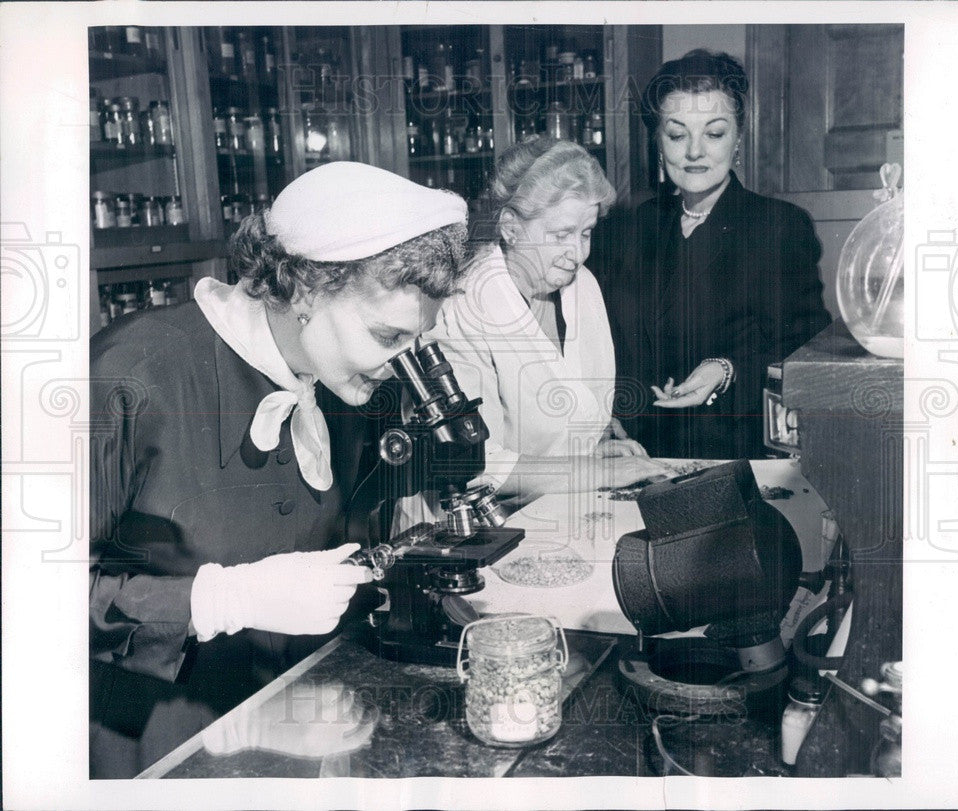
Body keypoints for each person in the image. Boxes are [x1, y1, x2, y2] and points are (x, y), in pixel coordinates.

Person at [89, 162, 469, 777]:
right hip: (154, 752)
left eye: (414, 343)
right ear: (308, 290)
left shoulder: (345, 392)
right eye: (386, 336)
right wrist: (221, 599)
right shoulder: (130, 377)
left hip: (302, 730)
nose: (401, 367)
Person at [398, 138, 670, 526]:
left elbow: (572, 404)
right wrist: (598, 473)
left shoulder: (582, 285)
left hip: (554, 511)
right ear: (510, 228)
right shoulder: (462, 306)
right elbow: (474, 462)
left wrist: (599, 447)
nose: (578, 253)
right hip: (465, 529)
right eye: (561, 234)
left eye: (586, 233)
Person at [591, 49, 831, 460]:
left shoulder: (780, 226)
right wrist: (602, 418)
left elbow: (806, 344)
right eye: (677, 134)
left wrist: (726, 369)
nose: (695, 152)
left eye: (714, 133)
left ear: (739, 138)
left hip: (739, 456)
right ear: (658, 142)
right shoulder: (628, 229)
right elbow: (603, 344)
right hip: (640, 458)